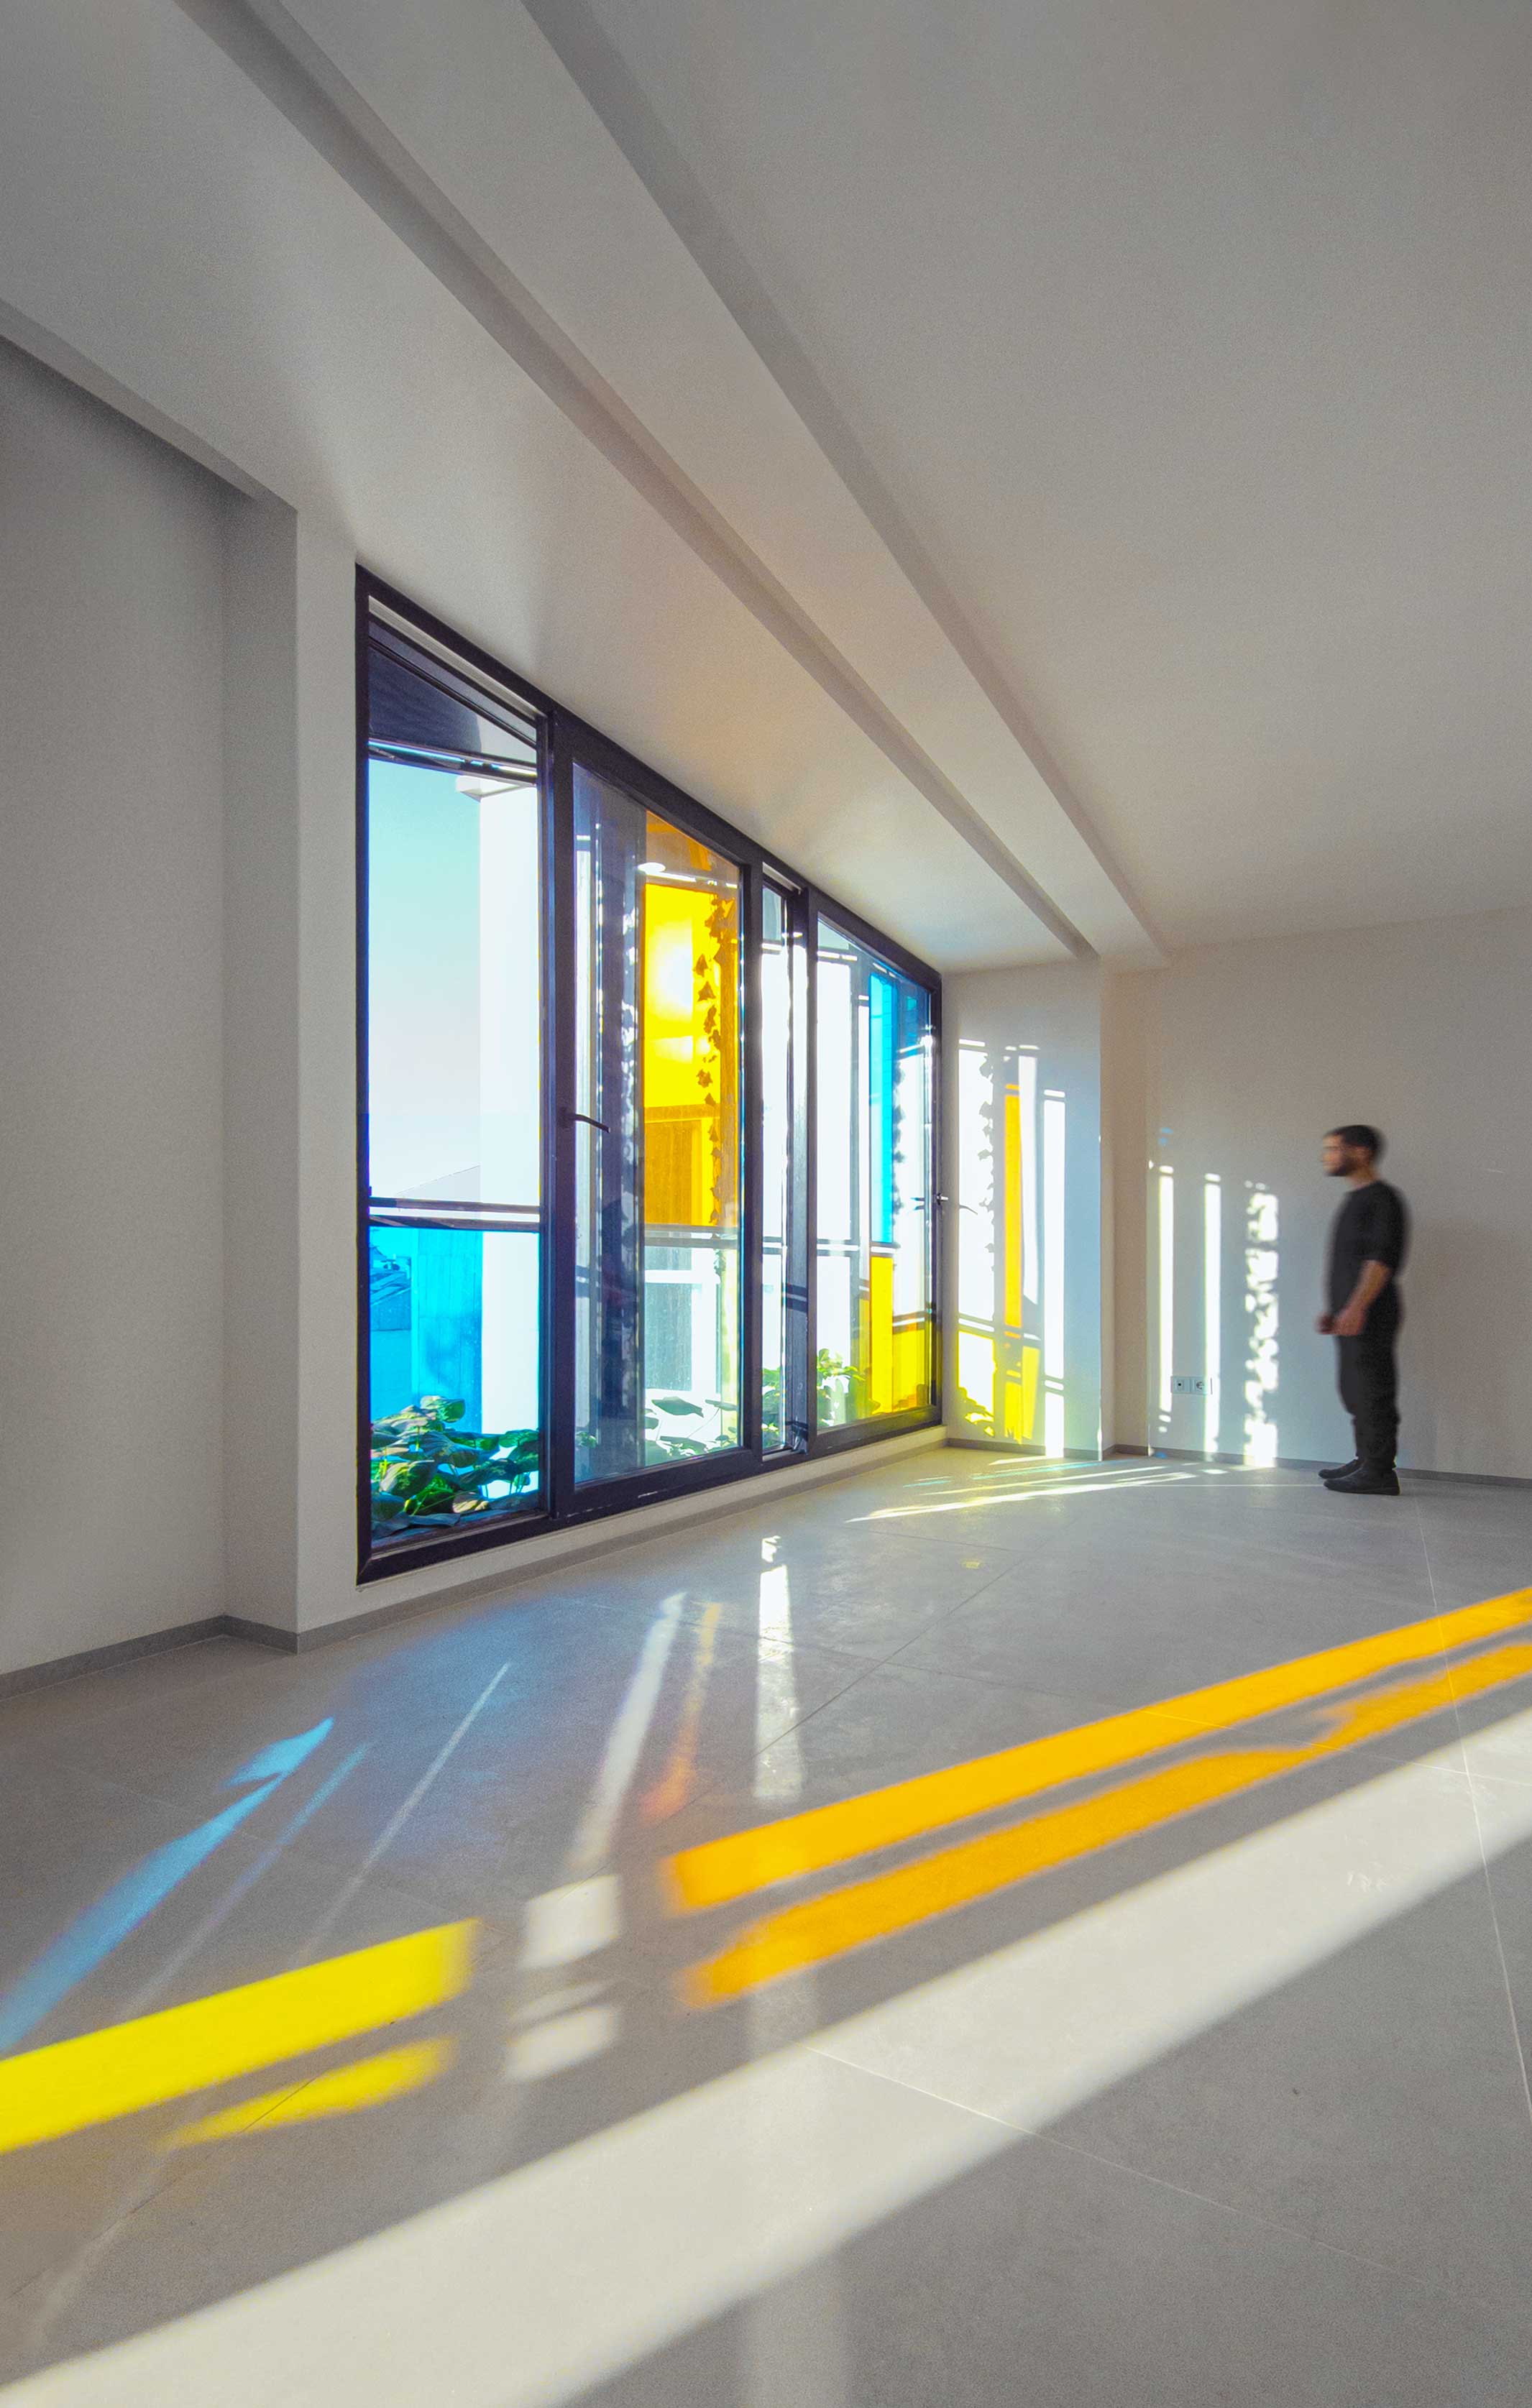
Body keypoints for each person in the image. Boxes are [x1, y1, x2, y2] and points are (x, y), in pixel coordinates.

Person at [1316, 1125, 1409, 1495]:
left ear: (1361, 1152)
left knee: (1373, 1390)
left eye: (1333, 1149)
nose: (1327, 1156)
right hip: (1350, 1314)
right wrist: (1335, 1310)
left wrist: (1356, 1307)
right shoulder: (1354, 1199)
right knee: (1353, 1390)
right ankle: (1366, 1459)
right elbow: (1350, 1263)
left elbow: (1380, 1259)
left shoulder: (1383, 1199)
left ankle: (1381, 1473)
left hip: (1371, 1313)